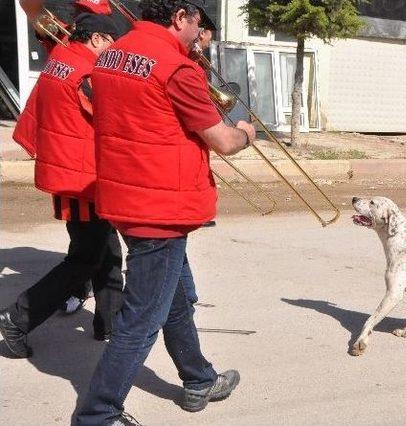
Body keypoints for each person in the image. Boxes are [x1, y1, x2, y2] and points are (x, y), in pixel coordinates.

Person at [74, 0, 256, 424]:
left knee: (170, 299)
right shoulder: (178, 69)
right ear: (180, 17)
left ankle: (198, 379)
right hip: (160, 207)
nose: (200, 34)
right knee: (141, 319)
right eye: (198, 24)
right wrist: (246, 132)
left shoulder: (111, 55)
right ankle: (98, 414)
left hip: (124, 197)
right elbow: (224, 142)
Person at [0, 13, 125, 358]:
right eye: (112, 45)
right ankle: (18, 317)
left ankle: (110, 323)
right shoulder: (86, 72)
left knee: (107, 250)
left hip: (71, 171)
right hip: (82, 176)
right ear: (98, 39)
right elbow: (110, 117)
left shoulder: (61, 60)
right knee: (86, 257)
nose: (113, 54)